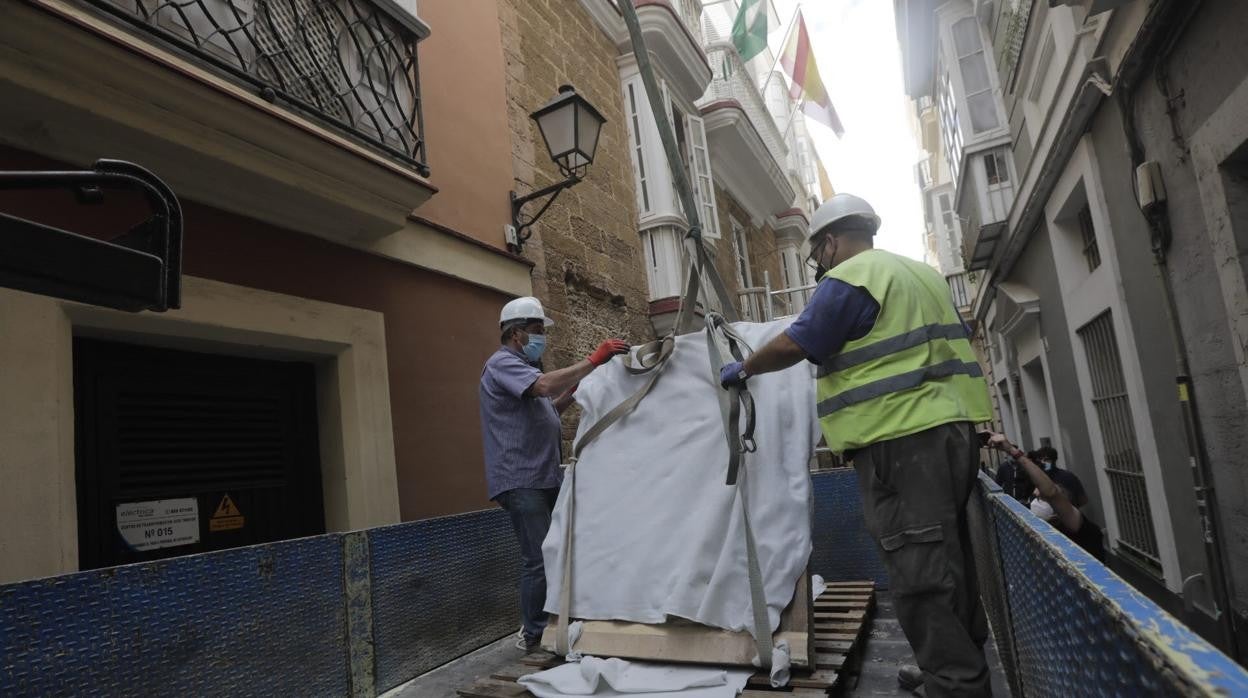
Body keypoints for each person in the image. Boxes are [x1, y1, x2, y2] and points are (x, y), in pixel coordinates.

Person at [719, 193, 995, 697]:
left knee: (918, 571)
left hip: (900, 442)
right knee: (950, 562)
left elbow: (799, 341)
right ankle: (953, 666)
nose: (820, 264)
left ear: (828, 243)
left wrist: (746, 366)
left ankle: (956, 685)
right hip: (952, 433)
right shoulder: (920, 274)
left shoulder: (850, 278)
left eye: (819, 253)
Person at [478, 296, 629, 652]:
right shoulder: (503, 364)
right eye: (537, 330)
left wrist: (575, 393)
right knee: (539, 558)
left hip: (543, 476)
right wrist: (593, 359)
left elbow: (549, 407)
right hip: (521, 480)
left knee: (556, 551)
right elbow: (546, 386)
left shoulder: (523, 370)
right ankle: (532, 634)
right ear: (517, 334)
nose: (542, 337)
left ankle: (556, 620)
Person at [985, 432, 1105, 561]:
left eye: (1041, 497)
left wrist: (1012, 450)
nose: (1036, 494)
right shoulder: (1040, 532)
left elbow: (1051, 493)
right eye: (1035, 496)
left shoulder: (1079, 528)